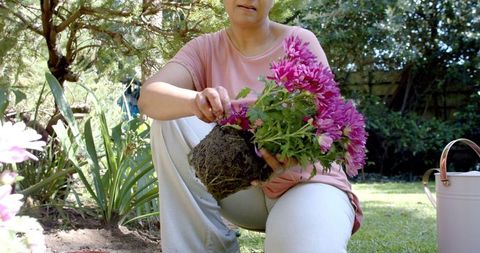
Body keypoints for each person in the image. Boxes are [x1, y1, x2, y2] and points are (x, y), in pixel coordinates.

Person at [138, 1, 362, 252]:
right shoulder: (205, 48)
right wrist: (196, 100)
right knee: (170, 118)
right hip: (242, 187)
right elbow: (149, 97)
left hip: (306, 186)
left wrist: (288, 153)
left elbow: (330, 121)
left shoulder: (299, 41)